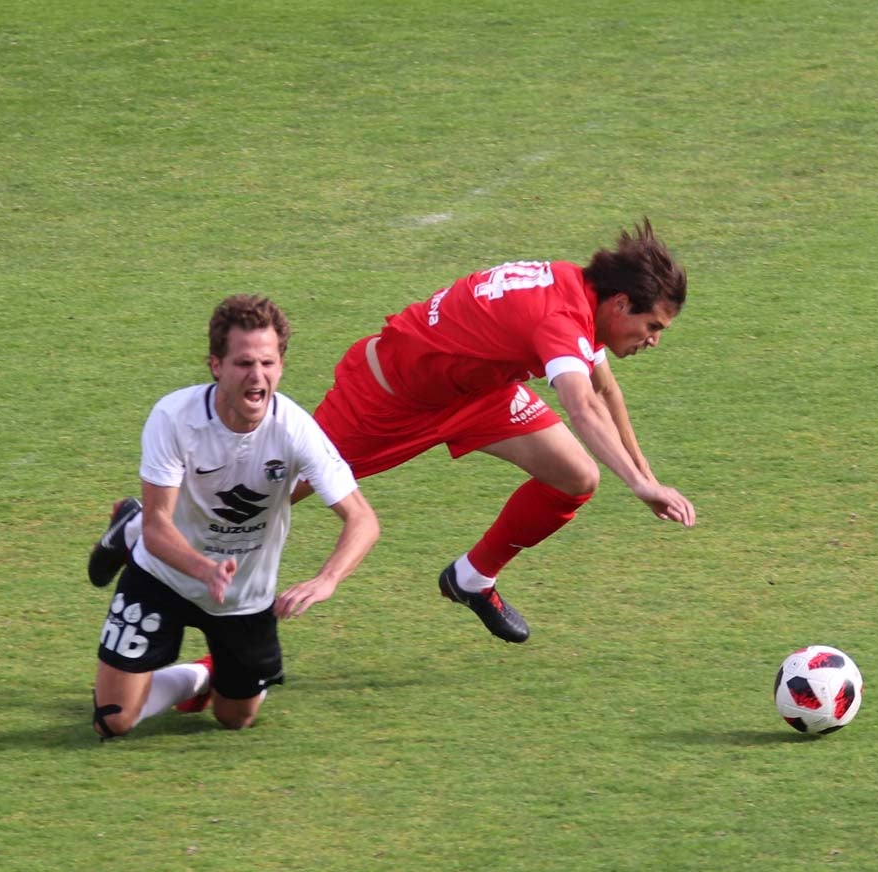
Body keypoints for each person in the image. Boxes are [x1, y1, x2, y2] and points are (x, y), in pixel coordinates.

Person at [90, 218, 692, 645]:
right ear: (618, 305)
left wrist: (648, 476)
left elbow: (605, 391)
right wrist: (640, 489)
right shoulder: (558, 317)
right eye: (653, 325)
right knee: (269, 494)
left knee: (575, 476)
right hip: (384, 399)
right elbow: (584, 409)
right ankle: (139, 524)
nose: (654, 339)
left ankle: (471, 579)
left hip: (475, 395)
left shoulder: (577, 296)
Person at [89, 294, 379, 739]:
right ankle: (129, 527)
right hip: (164, 574)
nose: (257, 376)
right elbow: (159, 526)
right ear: (216, 366)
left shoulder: (296, 430)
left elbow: (362, 520)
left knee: (235, 719)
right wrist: (205, 569)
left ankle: (204, 674)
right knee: (113, 718)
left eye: (268, 362)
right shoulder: (174, 417)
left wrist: (328, 579)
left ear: (281, 365)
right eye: (244, 363)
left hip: (244, 594)